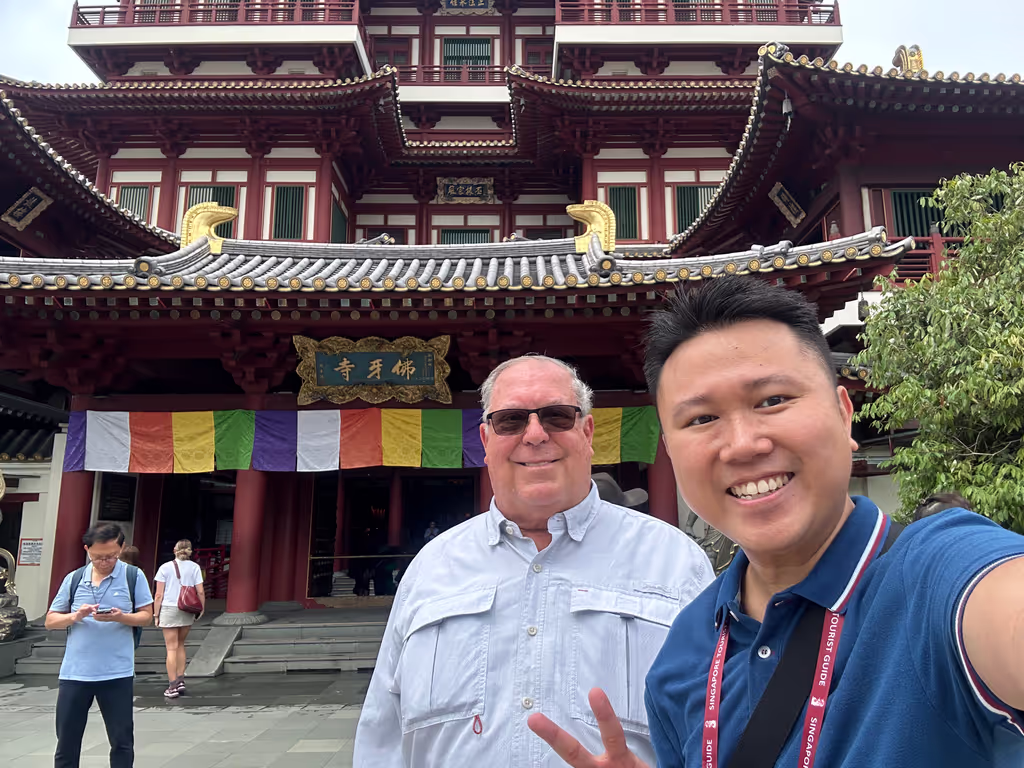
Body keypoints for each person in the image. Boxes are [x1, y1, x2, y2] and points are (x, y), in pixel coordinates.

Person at [530, 277, 1024, 768]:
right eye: (701, 419)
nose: (743, 444)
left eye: (772, 400)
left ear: (843, 411)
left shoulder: (935, 578)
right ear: (671, 452)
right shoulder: (685, 653)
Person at [354, 354, 713, 767]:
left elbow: (720, 728)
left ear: (588, 431)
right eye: (511, 420)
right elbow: (382, 737)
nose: (536, 434)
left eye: (557, 416)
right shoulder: (432, 567)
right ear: (486, 441)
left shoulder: (675, 562)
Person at [46, 522, 154, 768]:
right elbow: (51, 621)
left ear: (121, 547)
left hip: (117, 673)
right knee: (66, 743)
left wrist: (120, 617)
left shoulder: (133, 576)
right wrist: (76, 616)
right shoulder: (74, 579)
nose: (105, 561)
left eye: (111, 556)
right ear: (87, 550)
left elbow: (147, 616)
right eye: (98, 557)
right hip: (75, 674)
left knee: (122, 742)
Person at [153, 539, 205, 699]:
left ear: (175, 550)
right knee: (181, 644)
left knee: (171, 648)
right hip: (187, 608)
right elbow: (200, 591)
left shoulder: (165, 567)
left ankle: (172, 685)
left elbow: (158, 594)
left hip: (169, 608)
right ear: (190, 551)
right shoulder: (195, 567)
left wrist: (156, 615)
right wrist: (201, 609)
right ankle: (181, 680)